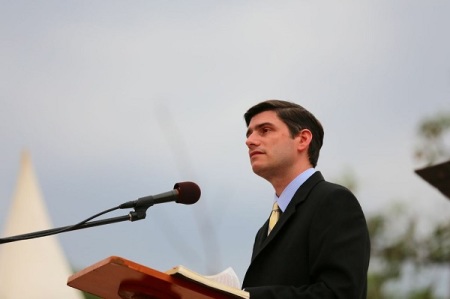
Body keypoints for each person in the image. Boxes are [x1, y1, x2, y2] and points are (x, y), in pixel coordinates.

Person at [241, 100, 370, 298]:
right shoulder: (264, 231)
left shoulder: (333, 201)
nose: (250, 141)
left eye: (265, 130)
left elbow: (340, 294)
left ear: (302, 139)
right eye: (249, 133)